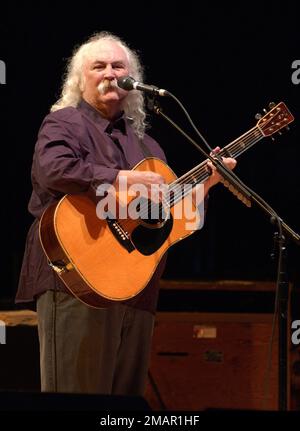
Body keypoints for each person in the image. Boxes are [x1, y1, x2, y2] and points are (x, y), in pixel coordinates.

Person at [16, 31, 236, 396]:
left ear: (133, 79)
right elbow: (54, 170)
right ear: (79, 79)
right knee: (76, 399)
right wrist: (120, 178)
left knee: (123, 408)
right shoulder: (65, 123)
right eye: (98, 66)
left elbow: (170, 222)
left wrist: (205, 186)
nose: (109, 72)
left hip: (136, 289)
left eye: (118, 66)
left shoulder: (148, 145)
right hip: (76, 278)